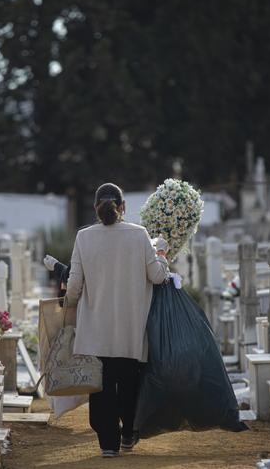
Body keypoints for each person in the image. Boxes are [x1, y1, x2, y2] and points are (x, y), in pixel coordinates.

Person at [63, 182, 170, 458]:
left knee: (101, 390)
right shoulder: (139, 235)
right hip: (131, 330)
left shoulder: (84, 238)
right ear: (124, 207)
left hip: (96, 331)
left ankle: (107, 444)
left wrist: (68, 306)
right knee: (129, 386)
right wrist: (162, 255)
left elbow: (74, 287)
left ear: (96, 208)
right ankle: (127, 435)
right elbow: (157, 277)